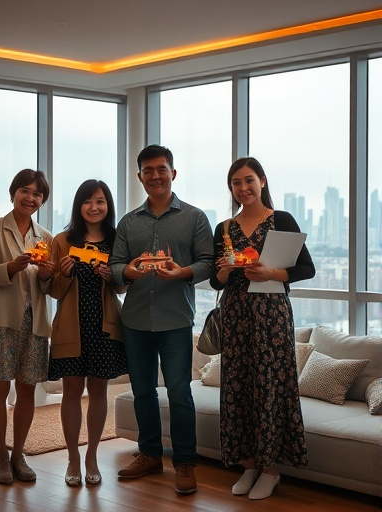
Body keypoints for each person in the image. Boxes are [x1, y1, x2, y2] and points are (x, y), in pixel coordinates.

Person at [109, 144, 214, 495]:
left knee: (180, 393)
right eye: (148, 171)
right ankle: (150, 454)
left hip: (176, 320)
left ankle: (185, 462)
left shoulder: (195, 217)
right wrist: (128, 272)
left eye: (161, 169)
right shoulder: (128, 222)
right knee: (142, 392)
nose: (155, 175)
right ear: (140, 177)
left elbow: (208, 262)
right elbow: (114, 266)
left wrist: (183, 271)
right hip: (135, 320)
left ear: (173, 172)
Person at [209, 157, 315, 500]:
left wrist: (272, 274)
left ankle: (271, 470)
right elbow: (215, 281)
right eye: (236, 183)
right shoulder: (224, 228)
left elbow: (306, 268)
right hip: (237, 315)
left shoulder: (281, 219)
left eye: (249, 180)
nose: (243, 188)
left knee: (270, 386)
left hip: (272, 316)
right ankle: (250, 465)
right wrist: (224, 271)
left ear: (263, 182)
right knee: (239, 388)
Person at [0, 169, 55, 485]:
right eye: (25, 191)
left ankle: (18, 455)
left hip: (34, 322)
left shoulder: (45, 237)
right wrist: (13, 266)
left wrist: (48, 273)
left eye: (37, 194)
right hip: (0, 320)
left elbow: (48, 288)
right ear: (13, 193)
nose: (31, 198)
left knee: (27, 390)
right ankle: (0, 455)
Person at [47, 179, 128, 487]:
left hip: (105, 330)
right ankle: (72, 457)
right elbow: (52, 290)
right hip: (71, 327)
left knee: (98, 392)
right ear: (78, 205)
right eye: (88, 201)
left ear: (108, 206)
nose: (94, 207)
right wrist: (64, 274)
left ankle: (92, 455)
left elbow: (123, 286)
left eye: (101, 202)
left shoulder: (116, 240)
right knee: (70, 392)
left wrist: (113, 277)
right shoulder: (63, 240)